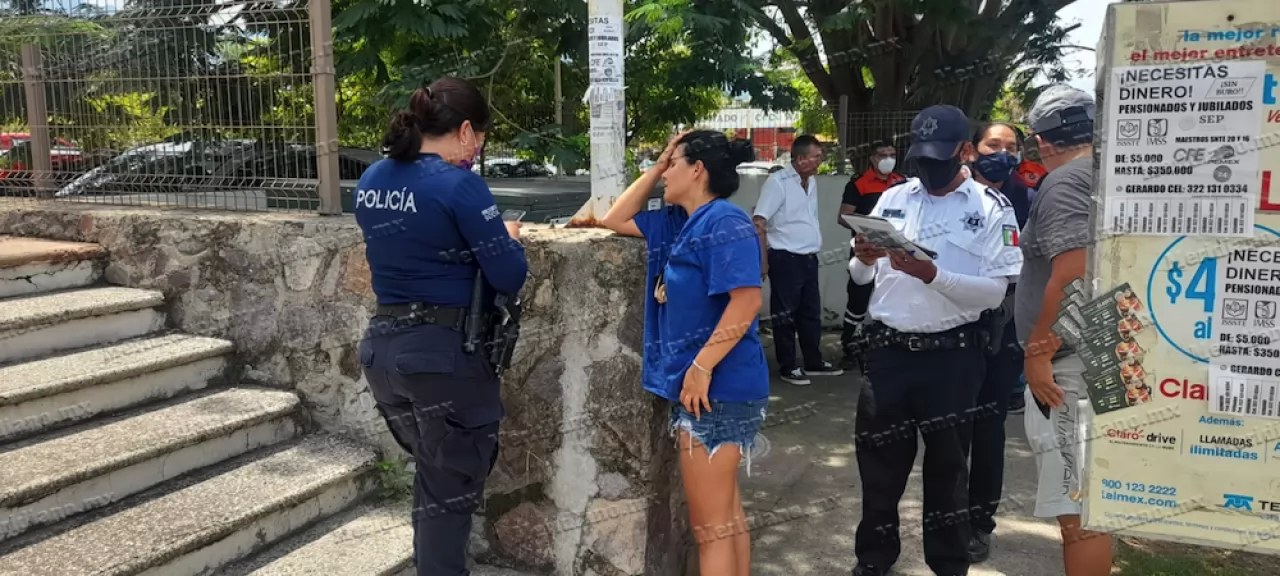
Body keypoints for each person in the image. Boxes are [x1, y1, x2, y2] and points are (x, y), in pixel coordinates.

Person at [354, 77, 528, 576]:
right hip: (444, 357)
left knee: (436, 480)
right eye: (482, 138)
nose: (479, 150)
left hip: (383, 355)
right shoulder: (460, 185)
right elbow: (509, 276)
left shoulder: (372, 180)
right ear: (468, 130)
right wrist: (508, 238)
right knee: (449, 491)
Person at [848, 105, 1022, 576]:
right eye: (921, 157)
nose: (927, 167)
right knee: (879, 470)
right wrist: (864, 257)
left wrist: (933, 274)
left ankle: (948, 565)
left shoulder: (991, 208)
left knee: (948, 474)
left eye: (938, 157)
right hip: (887, 355)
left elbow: (995, 290)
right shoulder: (894, 199)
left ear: (963, 151)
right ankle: (872, 561)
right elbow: (860, 275)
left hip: (952, 359)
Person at [601, 130, 769, 576]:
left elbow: (746, 300)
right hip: (706, 390)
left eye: (673, 164)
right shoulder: (678, 222)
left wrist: (701, 367)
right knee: (726, 520)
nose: (664, 173)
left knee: (710, 530)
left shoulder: (724, 223)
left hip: (716, 390)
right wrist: (656, 166)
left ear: (698, 170)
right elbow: (614, 218)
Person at [1014, 84, 1114, 576]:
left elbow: (1072, 273)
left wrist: (1037, 353)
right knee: (1089, 503)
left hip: (1067, 367)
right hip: (1094, 351)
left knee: (1078, 510)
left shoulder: (1063, 182)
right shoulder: (1105, 171)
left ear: (1042, 141)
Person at [958, 121, 1033, 563]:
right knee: (949, 432)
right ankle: (946, 516)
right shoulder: (949, 194)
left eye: (1010, 148)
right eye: (993, 145)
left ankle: (979, 522)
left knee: (988, 430)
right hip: (951, 330)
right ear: (971, 149)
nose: (1001, 154)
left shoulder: (1029, 201)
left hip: (1002, 331)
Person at [753, 134, 842, 385]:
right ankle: (788, 365)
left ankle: (813, 361)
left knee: (810, 312)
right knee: (785, 315)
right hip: (784, 257)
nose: (819, 162)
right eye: (816, 157)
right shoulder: (778, 182)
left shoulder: (810, 182)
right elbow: (759, 222)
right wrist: (764, 260)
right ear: (800, 159)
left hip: (808, 257)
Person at [837, 140, 905, 368]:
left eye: (891, 154)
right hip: (866, 249)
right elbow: (843, 217)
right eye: (882, 154)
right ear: (872, 159)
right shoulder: (859, 184)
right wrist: (870, 229)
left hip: (894, 250)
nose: (887, 159)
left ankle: (883, 345)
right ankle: (850, 346)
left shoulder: (902, 182)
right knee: (858, 298)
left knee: (891, 294)